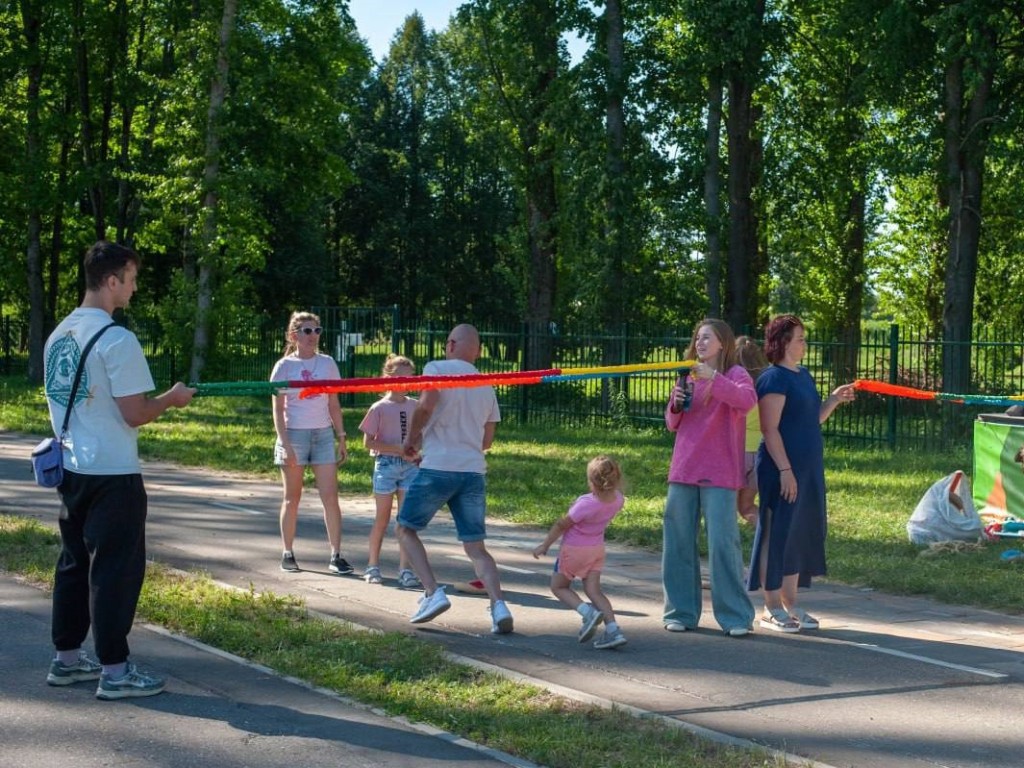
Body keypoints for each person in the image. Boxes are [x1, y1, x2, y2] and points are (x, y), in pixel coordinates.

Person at [43, 240, 195, 700]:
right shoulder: (117, 339)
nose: (133, 288)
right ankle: (115, 670)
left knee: (73, 564)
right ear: (112, 280)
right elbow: (135, 413)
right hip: (114, 474)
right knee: (115, 572)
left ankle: (67, 659)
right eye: (130, 279)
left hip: (71, 468)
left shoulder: (59, 335)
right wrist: (171, 398)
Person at [395, 323, 513, 634]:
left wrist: (412, 439)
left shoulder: (436, 368)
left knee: (405, 529)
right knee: (476, 547)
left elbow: (425, 406)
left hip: (438, 467)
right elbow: (487, 440)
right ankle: (499, 606)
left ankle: (432, 592)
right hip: (473, 471)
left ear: (450, 344)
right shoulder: (486, 383)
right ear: (477, 351)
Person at [747, 314, 856, 633]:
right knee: (776, 532)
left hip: (808, 468)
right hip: (781, 469)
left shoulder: (803, 376)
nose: (804, 344)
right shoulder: (773, 379)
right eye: (800, 339)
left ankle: (790, 604)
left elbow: (813, 419)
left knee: (797, 533)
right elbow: (770, 429)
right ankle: (770, 606)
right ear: (781, 342)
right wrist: (785, 471)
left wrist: (834, 399)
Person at [662, 319, 757, 637]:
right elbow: (672, 423)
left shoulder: (735, 375)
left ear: (722, 343)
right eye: (697, 338)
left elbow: (746, 401)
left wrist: (713, 378)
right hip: (685, 468)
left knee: (723, 544)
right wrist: (676, 403)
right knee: (677, 542)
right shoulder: (688, 375)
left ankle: (735, 617)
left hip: (720, 472)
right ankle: (681, 612)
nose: (700, 343)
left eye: (707, 338)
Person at [270, 311, 352, 575]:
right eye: (307, 331)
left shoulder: (327, 364)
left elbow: (334, 404)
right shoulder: (284, 366)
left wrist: (341, 437)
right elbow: (277, 408)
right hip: (295, 434)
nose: (313, 336)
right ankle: (288, 552)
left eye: (317, 331)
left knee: (331, 497)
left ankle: (336, 555)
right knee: (292, 498)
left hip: (322, 434)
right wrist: (285, 443)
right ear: (294, 336)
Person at [532, 455, 628, 650]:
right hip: (597, 550)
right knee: (594, 591)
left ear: (592, 482)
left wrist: (545, 545)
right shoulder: (618, 500)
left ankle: (587, 613)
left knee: (559, 587)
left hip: (574, 551)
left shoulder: (585, 504)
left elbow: (562, 524)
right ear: (616, 478)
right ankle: (613, 630)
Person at [358, 353, 422, 588]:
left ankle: (405, 569)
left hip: (409, 467)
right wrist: (396, 448)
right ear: (389, 378)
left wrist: (415, 451)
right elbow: (368, 442)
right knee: (382, 519)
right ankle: (372, 565)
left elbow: (420, 435)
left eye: (410, 378)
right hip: (386, 465)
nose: (406, 382)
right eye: (401, 377)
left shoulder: (415, 405)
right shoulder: (379, 408)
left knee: (405, 522)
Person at [735, 336, 770, 526]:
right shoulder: (767, 386)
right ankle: (769, 532)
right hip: (762, 453)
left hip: (736, 452)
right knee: (747, 506)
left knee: (727, 507)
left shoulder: (734, 385)